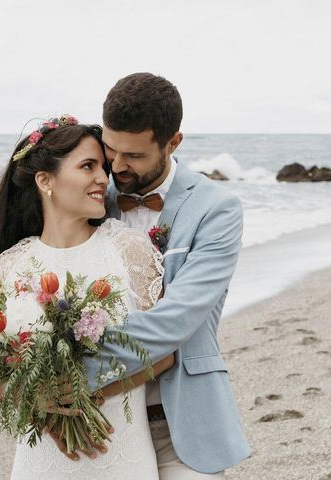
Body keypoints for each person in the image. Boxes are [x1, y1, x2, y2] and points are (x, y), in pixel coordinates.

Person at [0, 116, 168, 479]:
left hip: (121, 454)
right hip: (43, 458)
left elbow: (163, 353)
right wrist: (41, 405)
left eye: (103, 168)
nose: (103, 178)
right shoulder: (7, 268)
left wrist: (83, 396)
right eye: (88, 166)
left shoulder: (130, 251)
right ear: (45, 181)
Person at [86, 72, 251, 478]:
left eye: (135, 156)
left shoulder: (217, 209)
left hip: (179, 424)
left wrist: (74, 373)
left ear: (173, 142)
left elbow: (177, 318)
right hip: (98, 422)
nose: (117, 165)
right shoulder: (89, 198)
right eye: (110, 149)